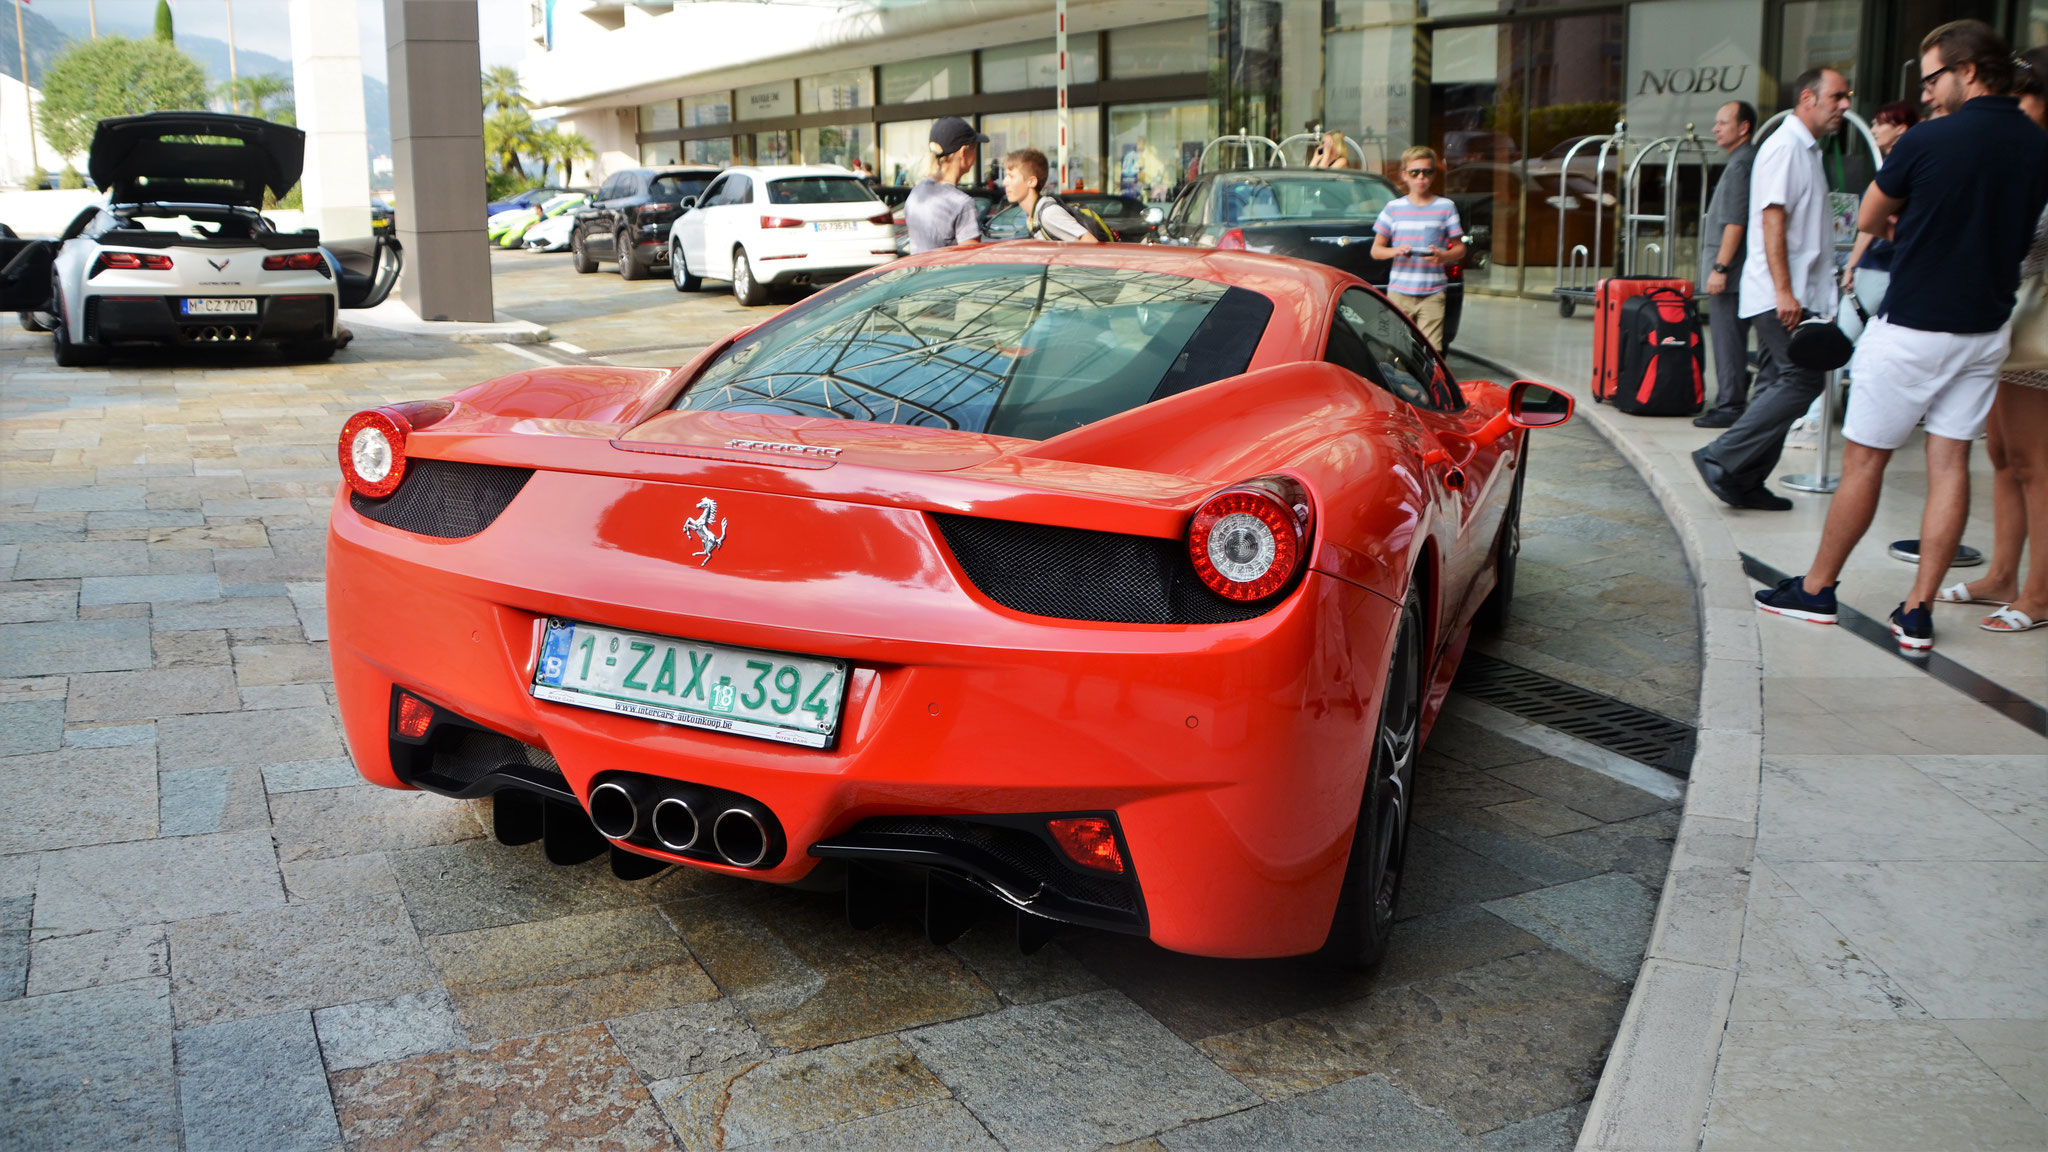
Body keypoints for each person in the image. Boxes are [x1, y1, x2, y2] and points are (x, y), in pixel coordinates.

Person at [1754, 21, 2048, 650]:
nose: (1930, 92)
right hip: (1985, 331)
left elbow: (1867, 215)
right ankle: (1917, 612)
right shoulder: (2035, 141)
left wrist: (1909, 219)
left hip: (1914, 325)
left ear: (1967, 71)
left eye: (1933, 78)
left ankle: (1816, 590)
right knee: (1950, 464)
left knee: (1864, 461)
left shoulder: (1930, 139)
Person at [1690, 67, 1850, 512]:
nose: (1845, 105)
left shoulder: (1805, 149)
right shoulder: (1785, 147)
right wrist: (1784, 291)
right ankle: (1721, 455)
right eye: (1837, 96)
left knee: (1777, 383)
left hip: (1794, 293)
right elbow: (1771, 220)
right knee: (1803, 379)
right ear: (1807, 98)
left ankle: (1743, 479)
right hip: (1785, 296)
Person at [1944, 45, 2048, 634]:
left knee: (2035, 463)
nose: (2014, 107)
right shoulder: (2026, 156)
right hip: (2013, 324)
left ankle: (2039, 593)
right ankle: (2004, 575)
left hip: (2038, 329)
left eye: (2025, 94)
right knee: (2002, 455)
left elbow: (2030, 248)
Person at [1694, 100, 1760, 429]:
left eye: (1722, 122)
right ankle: (1734, 396)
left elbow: (1735, 223)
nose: (1715, 128)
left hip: (1730, 274)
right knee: (1729, 338)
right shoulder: (1742, 160)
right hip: (1734, 272)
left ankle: (1730, 404)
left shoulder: (1740, 165)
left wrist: (1719, 269)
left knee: (1727, 339)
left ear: (1743, 127)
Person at [1369, 145, 1466, 348]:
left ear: (1433, 174)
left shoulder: (1446, 207)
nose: (1421, 177)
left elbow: (1460, 249)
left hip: (1433, 292)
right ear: (1405, 175)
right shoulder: (1393, 208)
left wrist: (1442, 256)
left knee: (1432, 353)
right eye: (1415, 172)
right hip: (1399, 293)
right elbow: (1376, 251)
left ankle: (1429, 381)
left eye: (1427, 172)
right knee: (1396, 349)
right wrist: (1396, 250)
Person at [1840, 102, 1919, 317]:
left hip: (1879, 268)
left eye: (1880, 124)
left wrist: (1850, 267)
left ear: (1901, 129)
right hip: (1898, 268)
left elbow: (1869, 225)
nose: (1873, 130)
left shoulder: (1898, 167)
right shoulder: (1914, 165)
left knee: (1847, 335)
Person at [904, 117, 987, 255]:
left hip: (918, 275)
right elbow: (971, 262)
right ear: (963, 152)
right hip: (948, 276)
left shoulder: (916, 193)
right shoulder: (962, 204)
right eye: (975, 148)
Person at [1000, 149, 1100, 244]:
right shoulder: (1032, 215)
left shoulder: (1049, 214)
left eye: (1011, 176)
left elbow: (1093, 245)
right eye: (1006, 176)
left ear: (1031, 182)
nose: (1005, 182)